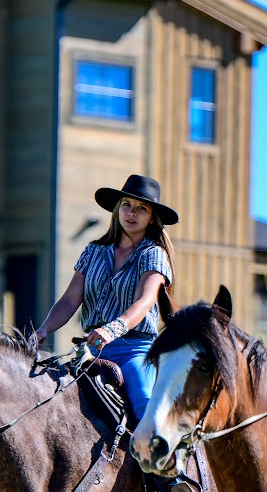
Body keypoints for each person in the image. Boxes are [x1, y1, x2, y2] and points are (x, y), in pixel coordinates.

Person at [29, 173, 177, 417]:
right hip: (89, 349)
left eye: (142, 209)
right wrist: (44, 330)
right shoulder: (94, 250)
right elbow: (69, 300)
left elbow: (144, 301)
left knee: (146, 408)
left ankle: (162, 455)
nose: (131, 212)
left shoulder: (153, 254)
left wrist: (112, 330)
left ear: (152, 219)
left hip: (134, 350)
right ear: (117, 209)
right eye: (126, 205)